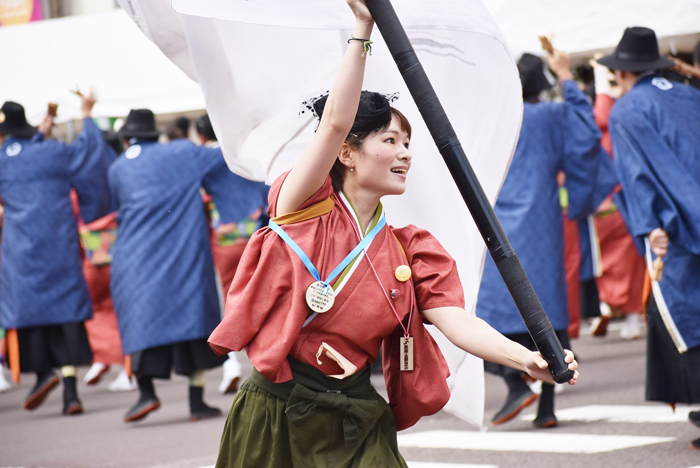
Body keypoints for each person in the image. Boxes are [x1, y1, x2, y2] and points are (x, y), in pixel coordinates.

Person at [208, 2, 578, 466]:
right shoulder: (300, 208)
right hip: (276, 414)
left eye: (408, 143)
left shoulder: (410, 247)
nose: (405, 153)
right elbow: (335, 122)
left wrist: (524, 358)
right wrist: (363, 27)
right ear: (346, 153)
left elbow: (457, 322)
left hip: (358, 416)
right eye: (389, 141)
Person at [476, 49, 601, 429]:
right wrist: (567, 78)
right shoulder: (552, 115)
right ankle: (547, 407)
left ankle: (514, 380)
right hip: (542, 224)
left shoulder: (495, 118)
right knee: (547, 313)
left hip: (496, 222)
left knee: (486, 312)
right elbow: (586, 133)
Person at [599, 26, 700, 451]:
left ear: (623, 73)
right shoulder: (690, 94)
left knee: (686, 314)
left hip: (679, 225)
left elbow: (637, 176)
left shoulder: (628, 109)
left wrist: (649, 225)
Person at [109, 109, 233, 423]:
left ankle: (146, 394)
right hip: (182, 253)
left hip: (134, 257)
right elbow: (225, 156)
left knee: (140, 320)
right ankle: (196, 401)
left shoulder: (117, 168)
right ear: (156, 133)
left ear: (126, 138)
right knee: (194, 322)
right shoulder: (181, 152)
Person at [0, 94, 110, 415]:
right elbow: (87, 154)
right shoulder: (52, 152)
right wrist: (87, 116)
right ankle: (71, 394)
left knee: (31, 313)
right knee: (66, 314)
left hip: (20, 248)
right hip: (59, 244)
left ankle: (43, 374)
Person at [196, 113, 269, 394]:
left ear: (202, 136)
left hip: (226, 236)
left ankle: (231, 364)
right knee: (264, 294)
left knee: (230, 298)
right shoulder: (248, 150)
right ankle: (266, 358)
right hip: (259, 230)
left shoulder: (206, 158)